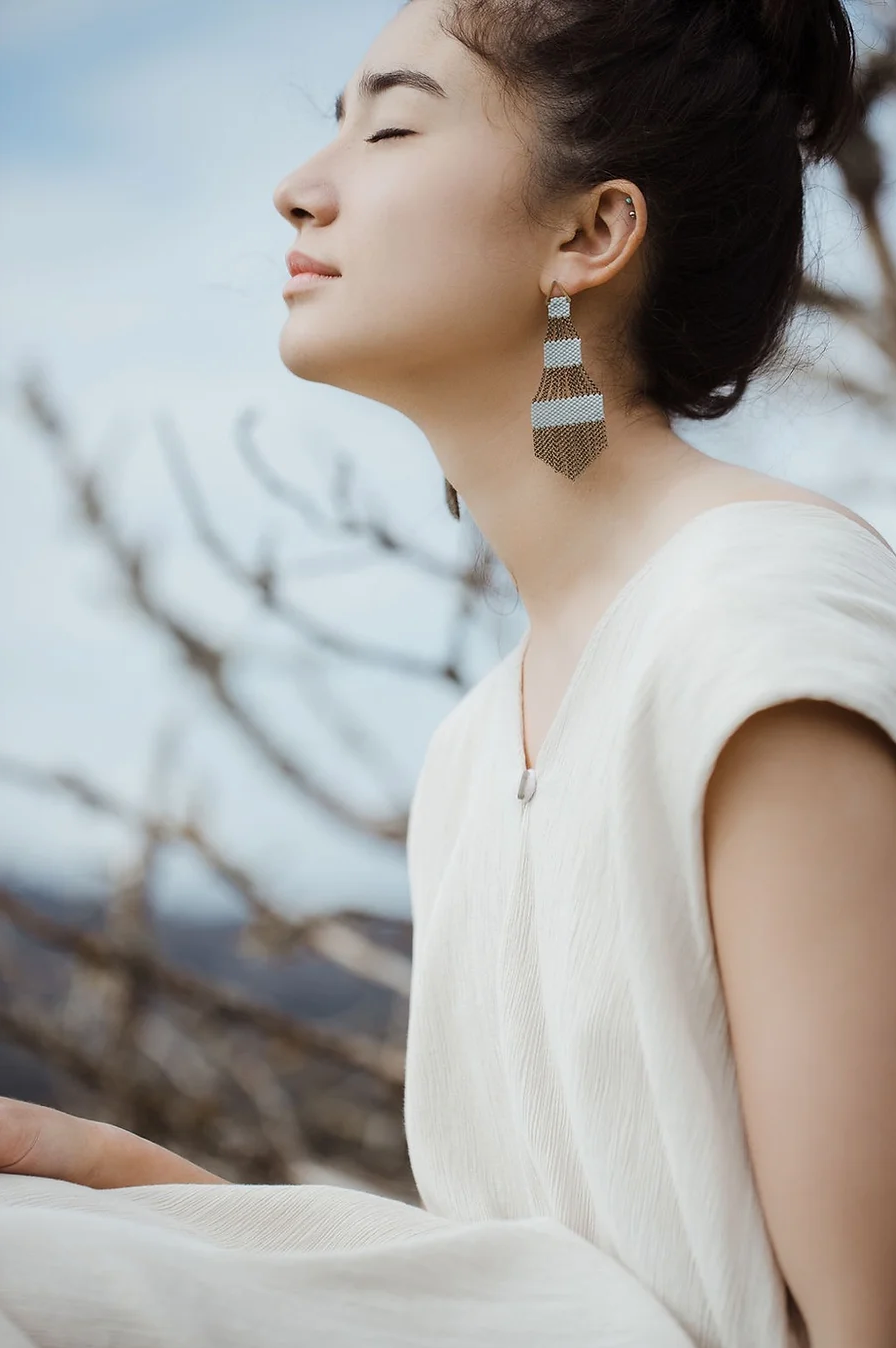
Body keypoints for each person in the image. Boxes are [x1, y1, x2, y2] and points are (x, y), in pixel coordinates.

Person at [1, 0, 895, 1344]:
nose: (301, 191)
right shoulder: (476, 749)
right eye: (333, 128)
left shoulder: (758, 623)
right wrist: (188, 1217)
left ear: (588, 234)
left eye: (393, 125)